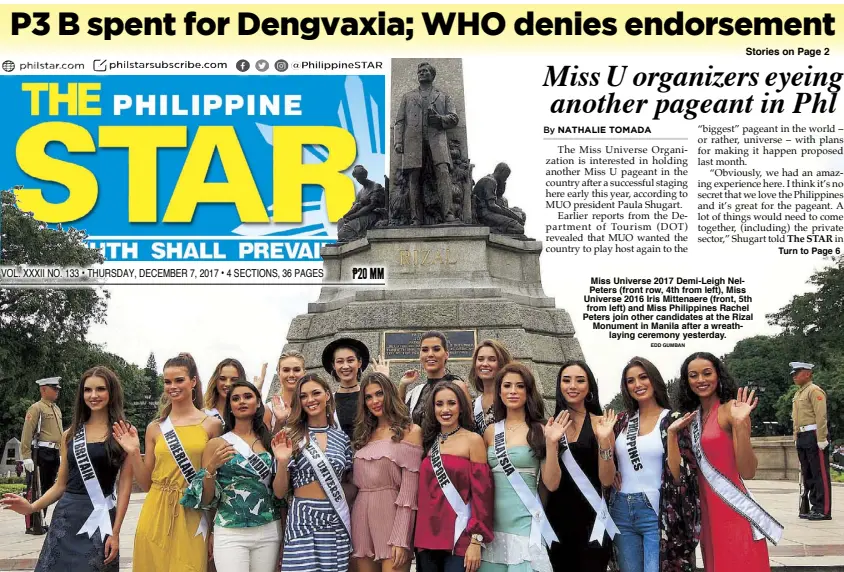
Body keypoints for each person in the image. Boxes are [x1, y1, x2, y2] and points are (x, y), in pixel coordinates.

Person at [2, 366, 134, 571]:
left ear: (112, 392)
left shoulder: (122, 432)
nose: (93, 395)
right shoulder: (70, 434)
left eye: (101, 389)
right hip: (66, 518)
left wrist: (115, 532)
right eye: (88, 390)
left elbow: (125, 486)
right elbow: (60, 485)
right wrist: (31, 507)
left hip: (100, 519)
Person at [113, 352, 223, 572]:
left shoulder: (211, 425)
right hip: (155, 511)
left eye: (179, 380)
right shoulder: (156, 428)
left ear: (193, 381)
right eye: (167, 381)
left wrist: (213, 529)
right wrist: (134, 452)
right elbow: (146, 484)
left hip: (192, 512)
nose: (173, 386)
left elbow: (214, 481)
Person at [672, 352, 781, 572]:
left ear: (718, 375)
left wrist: (741, 425)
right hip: (706, 514)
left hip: (732, 509)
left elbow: (748, 471)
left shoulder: (732, 410)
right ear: (686, 381)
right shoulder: (690, 418)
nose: (701, 380)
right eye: (693, 375)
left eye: (707, 373)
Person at [597, 357, 700, 572]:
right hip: (621, 508)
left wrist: (672, 436)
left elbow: (679, 476)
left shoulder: (673, 419)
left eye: (643, 377)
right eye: (630, 380)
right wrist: (606, 445)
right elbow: (608, 474)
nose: (638, 384)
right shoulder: (622, 421)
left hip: (656, 510)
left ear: (654, 379)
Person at [182, 380, 286, 572]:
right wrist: (210, 470)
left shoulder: (269, 441)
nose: (242, 402)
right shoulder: (217, 443)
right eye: (236, 398)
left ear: (258, 403)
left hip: (268, 528)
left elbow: (279, 492)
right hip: (230, 530)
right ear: (229, 406)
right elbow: (206, 499)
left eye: (248, 397)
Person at [479, 363, 568, 572]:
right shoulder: (490, 432)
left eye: (519, 386)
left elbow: (552, 484)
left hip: (526, 525)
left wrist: (552, 443)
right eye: (507, 385)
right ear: (499, 391)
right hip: (492, 526)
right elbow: (481, 482)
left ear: (528, 391)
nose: (513, 391)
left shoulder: (540, 429)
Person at [273, 373, 355, 572]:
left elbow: (349, 481)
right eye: (303, 396)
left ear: (327, 395)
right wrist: (283, 462)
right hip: (303, 517)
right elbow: (279, 492)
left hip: (335, 517)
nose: (310, 400)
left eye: (316, 393)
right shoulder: (290, 435)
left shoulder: (341, 438)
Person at [414, 380, 494, 572]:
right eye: (439, 404)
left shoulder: (473, 440)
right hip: (426, 538)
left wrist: (476, 540)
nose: (445, 409)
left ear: (461, 406)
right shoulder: (428, 441)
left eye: (451, 403)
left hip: (459, 537)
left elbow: (483, 494)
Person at [545, 360, 614, 572]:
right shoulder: (549, 425)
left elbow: (607, 480)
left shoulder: (600, 423)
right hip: (558, 521)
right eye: (566, 380)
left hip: (592, 521)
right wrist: (551, 443)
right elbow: (551, 484)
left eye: (580, 380)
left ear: (589, 387)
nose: (572, 386)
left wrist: (603, 441)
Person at [351, 372, 423, 572]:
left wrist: (401, 537)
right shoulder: (363, 435)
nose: (374, 401)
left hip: (392, 517)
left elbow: (409, 492)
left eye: (379, 394)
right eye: (369, 397)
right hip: (361, 516)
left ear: (390, 394)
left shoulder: (410, 431)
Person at [393, 61, 459, 225]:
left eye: (425, 71)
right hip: (413, 142)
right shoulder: (408, 97)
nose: (421, 73)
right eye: (419, 71)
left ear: (432, 75)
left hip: (437, 140)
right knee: (413, 178)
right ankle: (416, 218)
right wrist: (398, 142)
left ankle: (448, 214)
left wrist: (439, 119)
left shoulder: (443, 96)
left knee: (443, 173)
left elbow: (454, 118)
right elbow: (400, 121)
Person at [398, 331, 471, 427]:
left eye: (436, 349)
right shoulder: (416, 392)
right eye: (425, 350)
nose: (430, 354)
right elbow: (399, 418)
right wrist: (403, 385)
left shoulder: (457, 386)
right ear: (420, 355)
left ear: (446, 354)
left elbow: (469, 425)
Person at [20, 376, 64, 532]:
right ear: (43, 389)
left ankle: (41, 519)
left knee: (48, 488)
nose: (57, 391)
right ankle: (32, 523)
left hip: (53, 452)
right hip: (40, 453)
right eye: (54, 389)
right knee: (36, 488)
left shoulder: (56, 409)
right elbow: (27, 433)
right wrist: (26, 456)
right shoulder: (36, 408)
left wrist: (61, 451)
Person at [790, 361, 832, 520]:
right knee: (808, 474)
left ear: (807, 373)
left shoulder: (814, 391)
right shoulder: (799, 393)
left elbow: (821, 416)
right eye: (793, 373)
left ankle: (823, 509)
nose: (794, 376)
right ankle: (813, 506)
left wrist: (821, 438)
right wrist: (796, 436)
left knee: (819, 473)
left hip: (814, 435)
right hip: (803, 436)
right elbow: (796, 419)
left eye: (797, 373)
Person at [468, 340, 513, 436]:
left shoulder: (510, 400)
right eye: (480, 359)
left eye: (492, 359)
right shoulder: (473, 405)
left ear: (502, 364)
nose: (484, 364)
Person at [337, 165, 388, 242]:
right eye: (357, 178)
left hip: (373, 215)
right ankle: (347, 239)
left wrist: (354, 216)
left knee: (345, 230)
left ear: (365, 175)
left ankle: (355, 239)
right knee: (341, 221)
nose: (359, 180)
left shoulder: (375, 186)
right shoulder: (360, 192)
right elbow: (355, 207)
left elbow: (371, 206)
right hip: (360, 215)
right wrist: (347, 215)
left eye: (360, 177)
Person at [264, 350, 307, 433]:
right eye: (286, 370)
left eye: (297, 370)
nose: (291, 375)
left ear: (304, 373)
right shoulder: (268, 410)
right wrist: (279, 422)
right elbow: (265, 444)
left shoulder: (312, 404)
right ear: (279, 373)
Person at [204, 358, 248, 429]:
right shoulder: (204, 414)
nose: (228, 384)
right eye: (222, 379)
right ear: (215, 381)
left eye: (234, 380)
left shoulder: (247, 416)